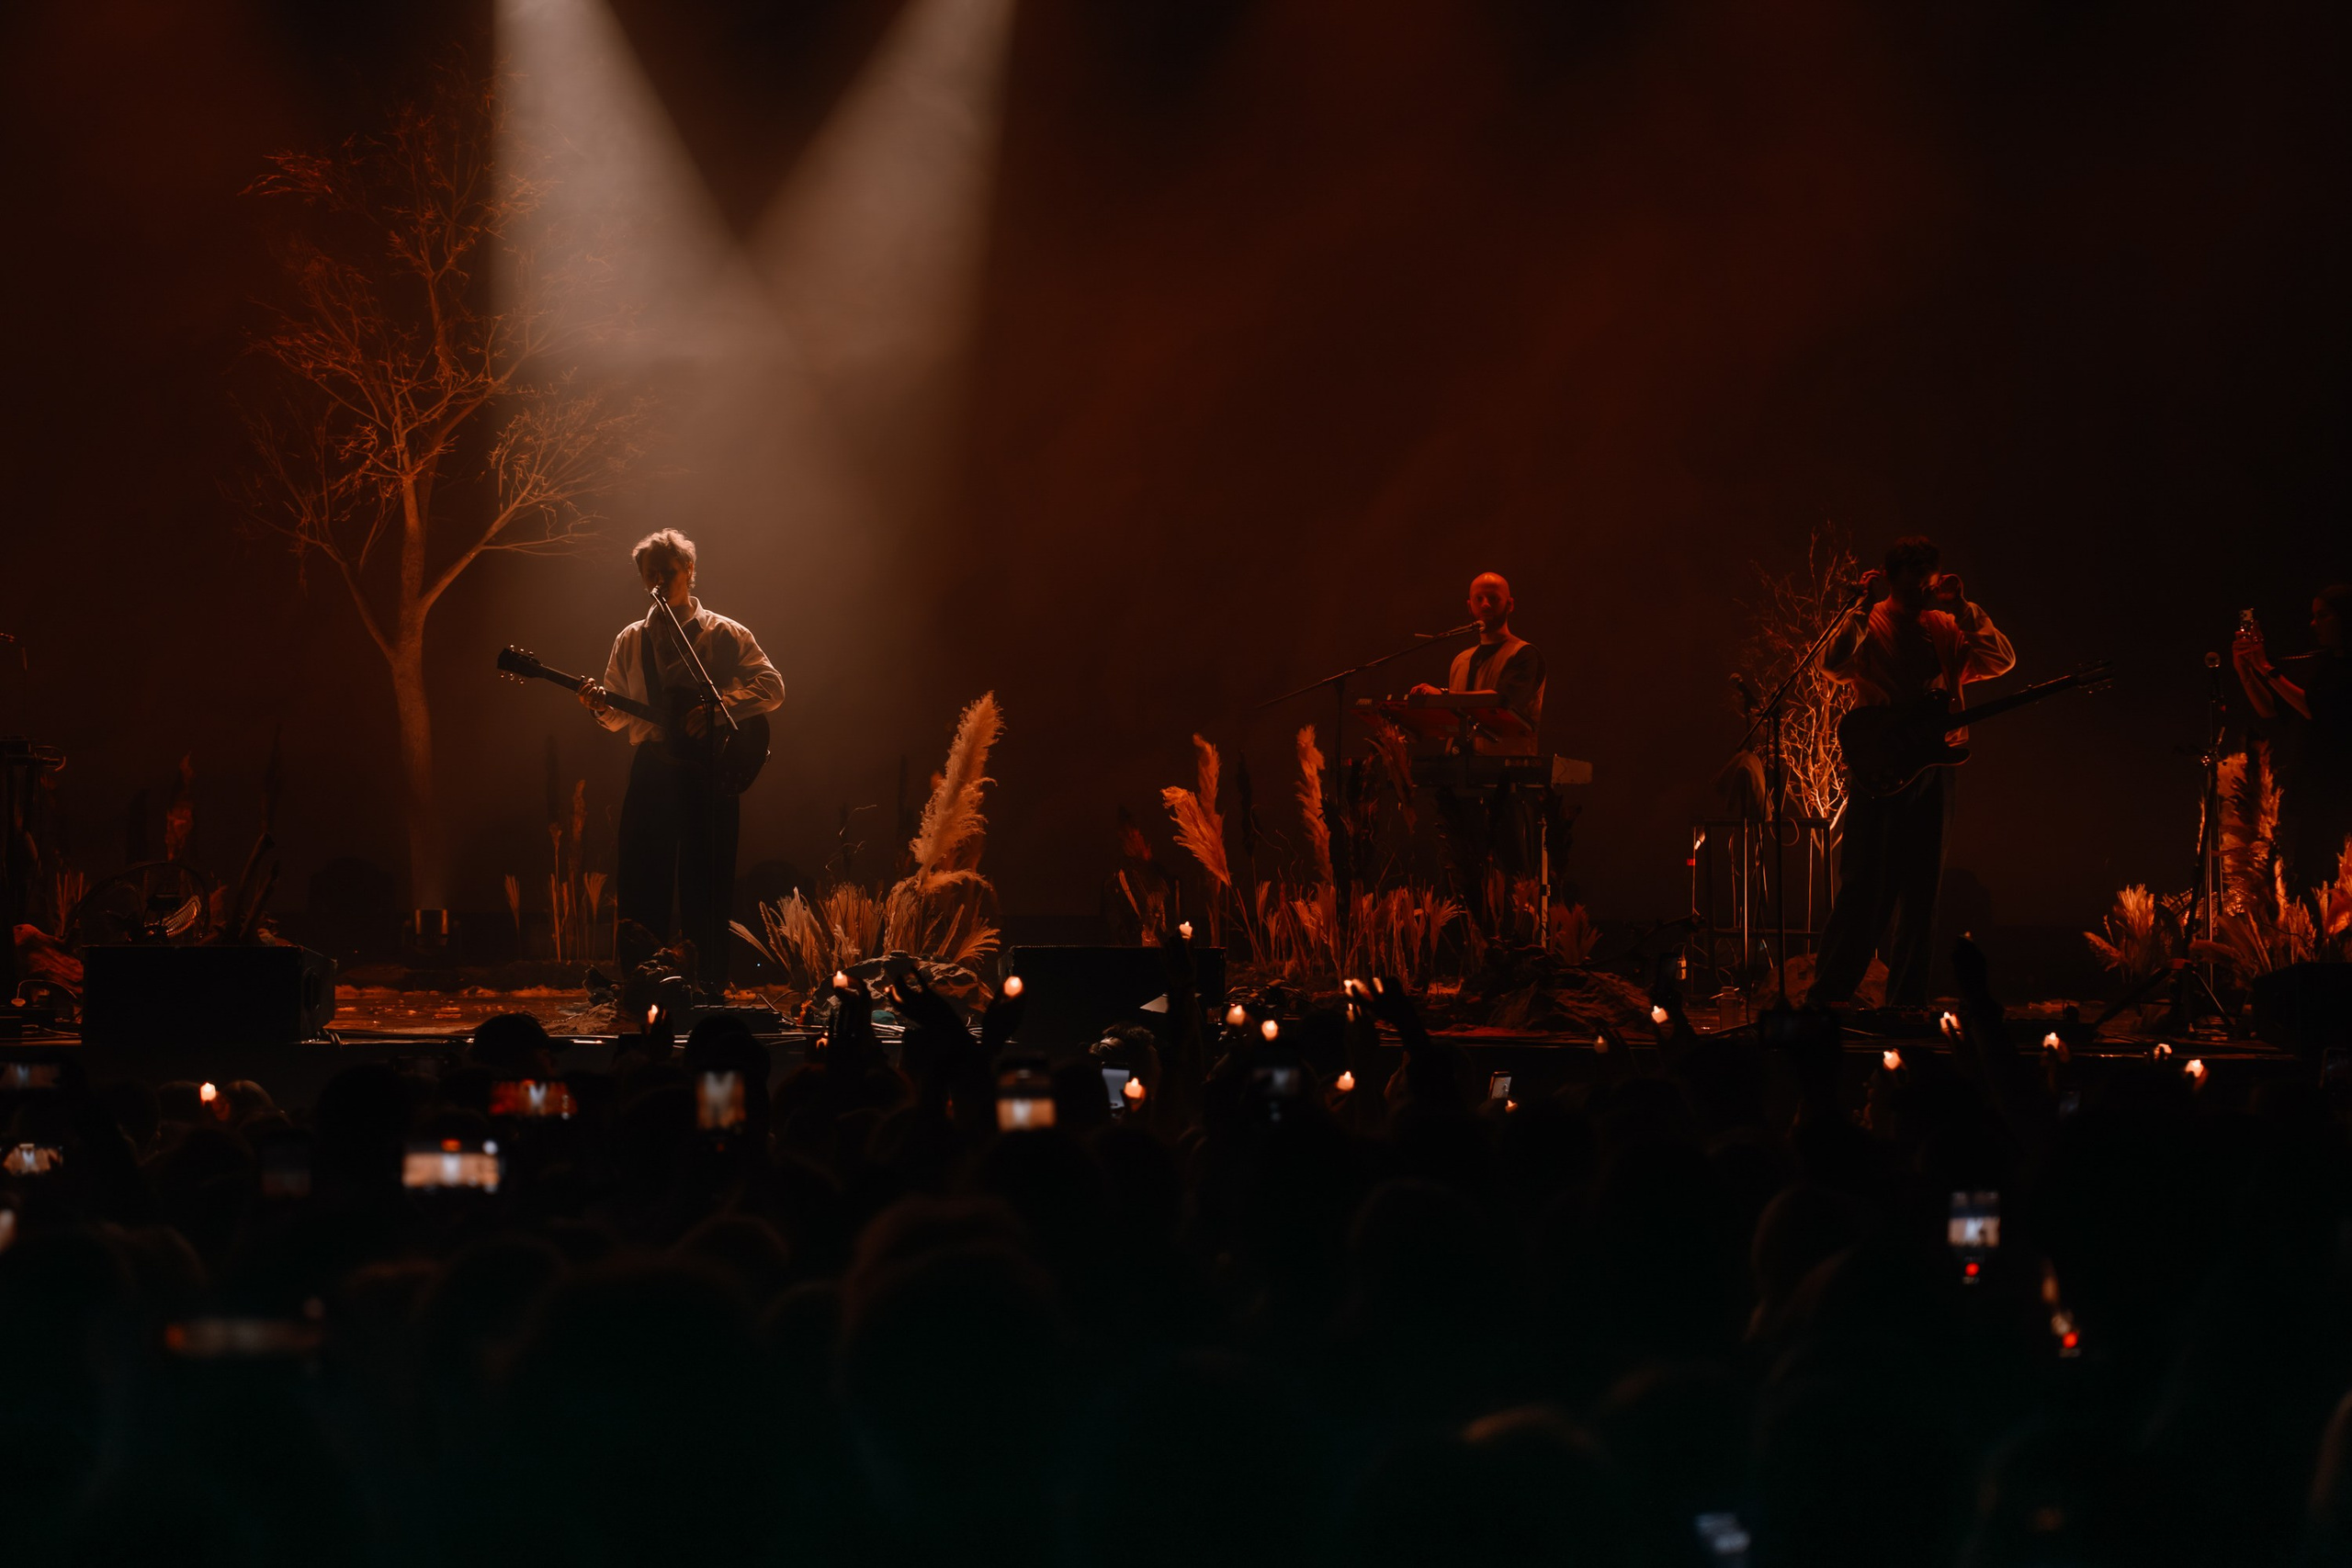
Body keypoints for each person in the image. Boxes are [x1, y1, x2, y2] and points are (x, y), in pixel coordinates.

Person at [1806, 536, 2014, 1010]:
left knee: (1922, 894)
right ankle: (1828, 997)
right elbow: (1833, 666)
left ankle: (1904, 1006)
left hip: (1934, 769)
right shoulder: (1871, 620)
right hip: (1878, 768)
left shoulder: (1944, 625)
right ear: (1889, 576)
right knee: (1863, 886)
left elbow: (2000, 660)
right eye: (1913, 582)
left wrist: (1965, 609)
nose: (1922, 590)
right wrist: (1858, 610)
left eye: (1929, 582)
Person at [581, 529, 784, 992]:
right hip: (653, 767)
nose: (658, 580)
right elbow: (616, 716)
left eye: (667, 571)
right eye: (649, 573)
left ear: (690, 571)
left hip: (713, 772)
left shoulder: (726, 634)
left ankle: (708, 985)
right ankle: (640, 984)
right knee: (639, 876)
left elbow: (772, 688)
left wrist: (720, 708)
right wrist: (598, 706)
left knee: (708, 882)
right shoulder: (631, 639)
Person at [2233, 584, 2352, 893]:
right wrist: (2247, 671)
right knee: (2308, 882)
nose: (2314, 624)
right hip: (2314, 796)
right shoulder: (2324, 664)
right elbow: (2272, 710)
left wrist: (2265, 666)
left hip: (2340, 797)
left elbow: (2316, 708)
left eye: (2323, 616)